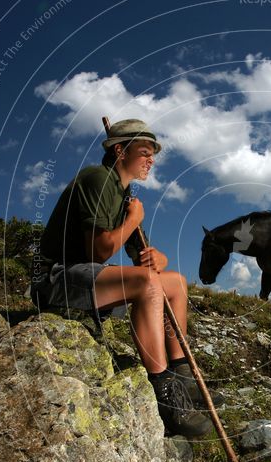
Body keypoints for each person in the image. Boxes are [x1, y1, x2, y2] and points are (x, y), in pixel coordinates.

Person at [31, 119, 224, 438]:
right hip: (56, 277)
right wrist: (134, 218)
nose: (151, 160)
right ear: (120, 150)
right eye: (145, 152)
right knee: (146, 284)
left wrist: (157, 257)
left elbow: (139, 254)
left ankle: (183, 380)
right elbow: (99, 251)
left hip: (89, 277)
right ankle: (168, 402)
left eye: (153, 155)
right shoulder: (96, 180)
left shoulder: (124, 196)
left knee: (174, 282)